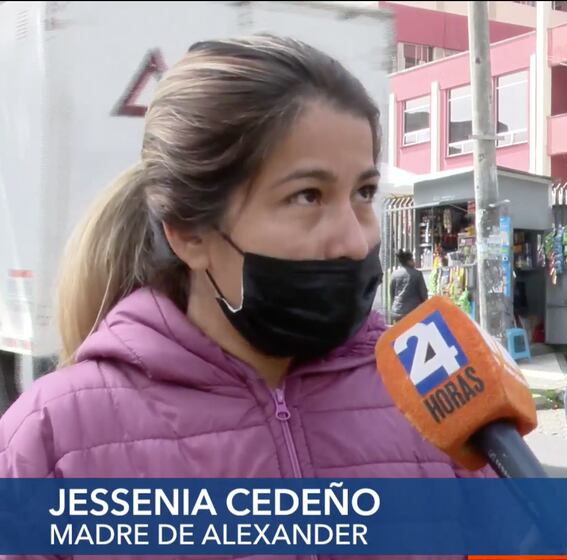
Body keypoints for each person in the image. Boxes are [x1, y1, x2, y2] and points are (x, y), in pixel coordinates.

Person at [0, 36, 492, 483]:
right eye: (307, 196)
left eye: (364, 192)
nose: (354, 241)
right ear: (190, 234)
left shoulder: (432, 392)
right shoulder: (54, 442)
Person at [389, 249, 428, 322]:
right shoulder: (417, 274)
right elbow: (423, 294)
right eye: (412, 260)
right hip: (412, 312)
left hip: (397, 312)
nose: (414, 262)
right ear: (409, 261)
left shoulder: (394, 274)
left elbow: (392, 293)